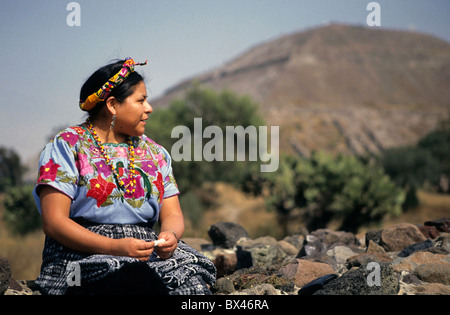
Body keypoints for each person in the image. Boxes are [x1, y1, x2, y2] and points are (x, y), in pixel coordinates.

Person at [32, 57, 216, 295]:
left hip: (144, 249)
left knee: (192, 285)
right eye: (141, 100)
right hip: (80, 253)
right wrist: (115, 247)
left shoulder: (155, 153)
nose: (149, 108)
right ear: (112, 105)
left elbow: (172, 213)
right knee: (133, 280)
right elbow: (54, 223)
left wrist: (169, 235)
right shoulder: (67, 146)